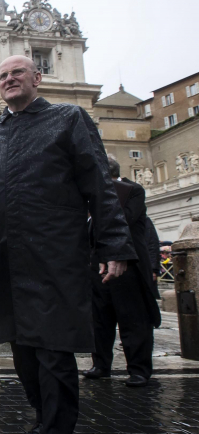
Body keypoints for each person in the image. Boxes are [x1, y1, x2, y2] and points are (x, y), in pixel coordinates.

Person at [0, 56, 135, 434]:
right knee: (20, 349)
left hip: (55, 253)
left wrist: (114, 244)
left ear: (37, 78)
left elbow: (99, 184)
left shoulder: (68, 118)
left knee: (54, 348)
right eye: (2, 76)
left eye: (17, 73)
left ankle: (56, 427)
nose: (9, 79)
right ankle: (43, 418)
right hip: (3, 256)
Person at [85, 157, 161, 387]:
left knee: (134, 320)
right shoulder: (93, 196)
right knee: (99, 320)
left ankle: (138, 369)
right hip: (97, 268)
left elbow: (122, 220)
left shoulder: (132, 190)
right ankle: (101, 364)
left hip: (128, 267)